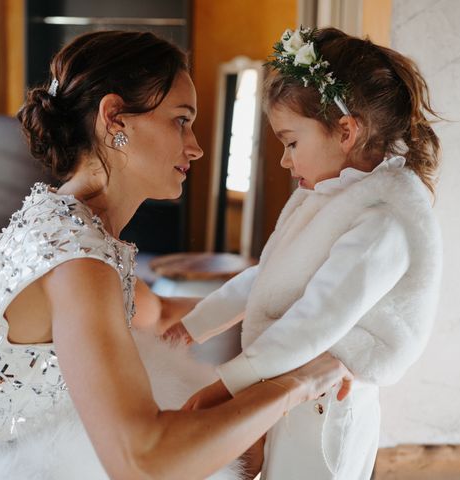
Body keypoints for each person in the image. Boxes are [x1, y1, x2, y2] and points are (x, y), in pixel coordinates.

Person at [0, 30, 352, 480]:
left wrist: (304, 312)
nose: (196, 146)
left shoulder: (70, 221)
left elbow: (160, 313)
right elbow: (141, 463)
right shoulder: (79, 261)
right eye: (181, 120)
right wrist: (297, 384)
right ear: (114, 119)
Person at [176, 27, 443, 479]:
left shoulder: (384, 221)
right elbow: (268, 276)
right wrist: (189, 329)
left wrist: (226, 385)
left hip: (330, 408)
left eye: (291, 142)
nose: (284, 160)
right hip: (292, 389)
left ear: (345, 131)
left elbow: (316, 321)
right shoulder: (326, 195)